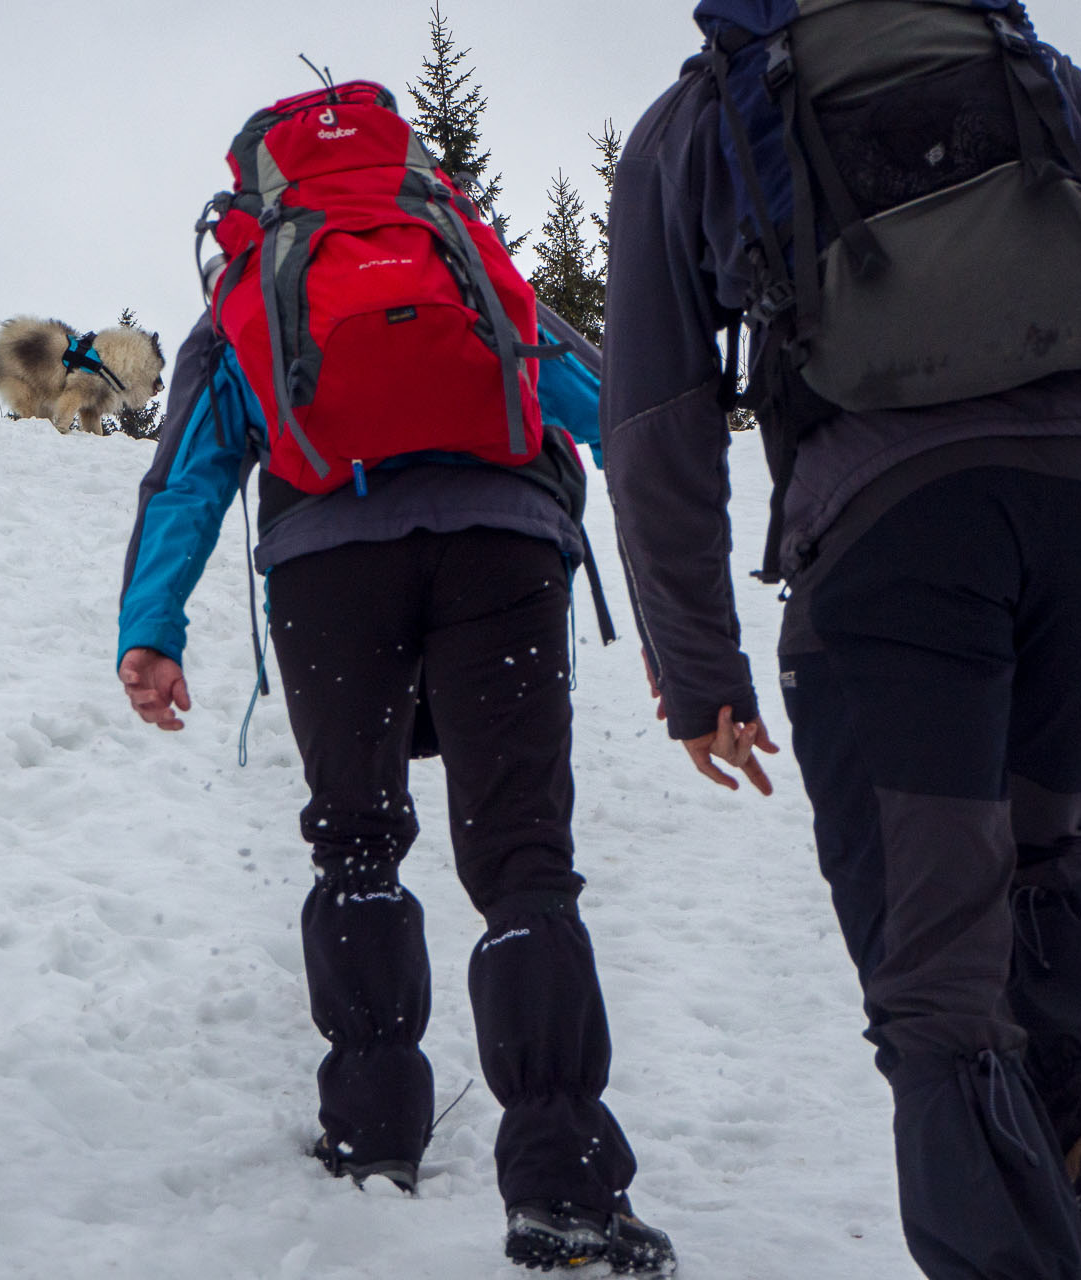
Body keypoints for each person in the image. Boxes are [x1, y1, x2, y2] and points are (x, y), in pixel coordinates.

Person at [602, 6, 1081, 1279]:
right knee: (1047, 848)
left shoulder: (695, 122)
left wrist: (700, 667)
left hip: (890, 528)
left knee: (936, 978)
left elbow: (659, 418)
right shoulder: (1012, 55)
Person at [116, 240, 674, 1273]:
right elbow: (614, 405)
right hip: (503, 546)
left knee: (356, 839)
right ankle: (565, 1184)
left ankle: (373, 1135)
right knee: (523, 858)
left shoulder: (258, 288)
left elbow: (189, 469)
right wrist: (680, 615)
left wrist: (150, 624)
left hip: (330, 567)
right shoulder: (458, 259)